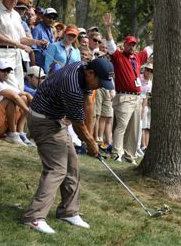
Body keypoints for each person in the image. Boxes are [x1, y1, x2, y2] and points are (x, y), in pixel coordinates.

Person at [22, 58, 114, 234]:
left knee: (72, 165)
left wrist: (91, 140)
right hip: (43, 121)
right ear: (90, 73)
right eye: (100, 82)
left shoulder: (83, 68)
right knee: (57, 168)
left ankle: (68, 212)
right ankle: (33, 217)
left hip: (55, 120)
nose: (101, 86)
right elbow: (78, 125)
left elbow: (88, 104)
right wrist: (91, 143)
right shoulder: (72, 85)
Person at [104, 13, 153, 164]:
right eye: (129, 44)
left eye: (133, 45)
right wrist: (108, 28)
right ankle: (116, 153)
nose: (131, 47)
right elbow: (110, 42)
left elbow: (151, 48)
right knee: (122, 126)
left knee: (134, 128)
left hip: (137, 97)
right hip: (124, 96)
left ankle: (129, 154)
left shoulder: (138, 57)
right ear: (124, 45)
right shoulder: (118, 56)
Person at [0, 0, 44, 91]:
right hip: (2, 53)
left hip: (16, 54)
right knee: (11, 89)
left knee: (20, 88)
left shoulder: (16, 15)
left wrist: (36, 42)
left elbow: (22, 38)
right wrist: (18, 44)